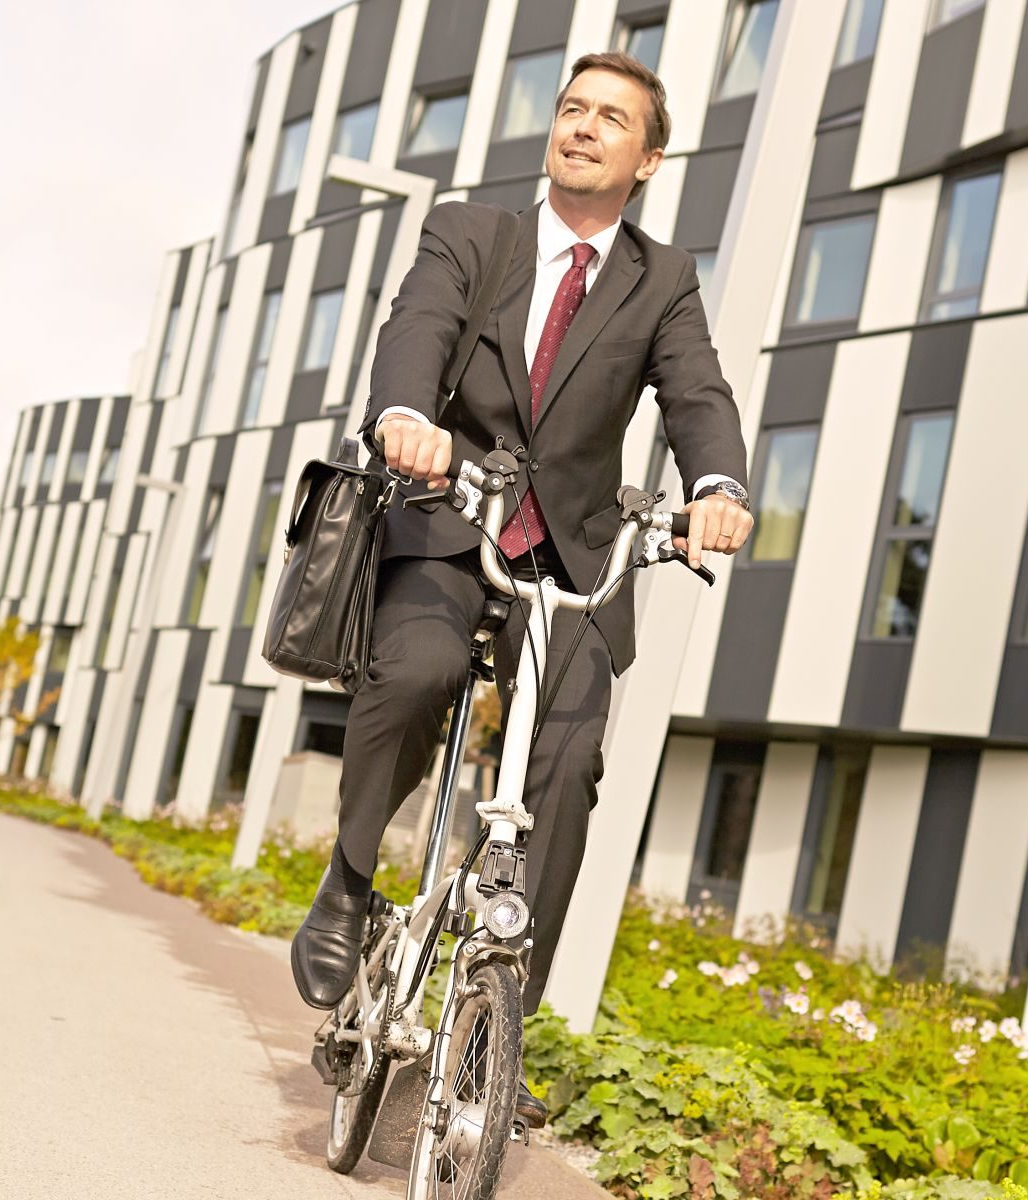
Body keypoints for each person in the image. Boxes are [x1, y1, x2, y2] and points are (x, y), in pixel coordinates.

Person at [288, 51, 754, 1127]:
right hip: (450, 519)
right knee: (419, 668)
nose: (582, 128)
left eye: (610, 120)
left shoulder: (661, 276)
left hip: (573, 556)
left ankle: (495, 1038)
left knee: (570, 760)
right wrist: (406, 417)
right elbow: (418, 330)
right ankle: (349, 882)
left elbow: (696, 394)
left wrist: (716, 486)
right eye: (571, 109)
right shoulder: (472, 233)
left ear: (646, 159)